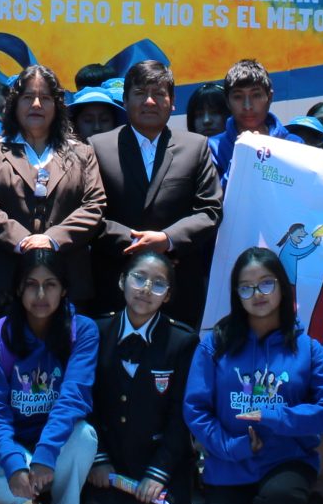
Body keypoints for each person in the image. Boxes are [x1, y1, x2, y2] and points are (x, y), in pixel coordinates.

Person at [185, 247, 323, 504]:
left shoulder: (307, 348)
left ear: (282, 286)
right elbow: (196, 409)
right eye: (246, 287)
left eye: (266, 283)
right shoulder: (215, 344)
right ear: (236, 294)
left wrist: (276, 415)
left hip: (286, 461)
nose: (257, 294)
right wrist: (231, 446)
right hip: (230, 462)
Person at [0, 64, 107, 351]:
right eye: (28, 97)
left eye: (45, 98)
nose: (36, 105)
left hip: (67, 282)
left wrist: (52, 239)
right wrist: (23, 241)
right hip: (1, 283)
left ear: (58, 105)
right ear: (14, 103)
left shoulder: (82, 152)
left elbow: (94, 205)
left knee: (64, 365)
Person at [0, 251, 101, 504]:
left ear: (64, 289)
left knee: (85, 436)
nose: (41, 294)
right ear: (18, 289)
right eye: (31, 284)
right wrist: (14, 464)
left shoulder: (82, 331)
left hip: (52, 442)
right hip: (9, 444)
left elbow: (74, 397)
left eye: (50, 284)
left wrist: (45, 453)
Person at [88, 59, 223, 324]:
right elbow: (89, 213)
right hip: (113, 288)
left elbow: (210, 211)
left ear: (172, 103)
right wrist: (136, 244)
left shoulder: (195, 147)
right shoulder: (98, 147)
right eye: (140, 93)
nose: (149, 101)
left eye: (159, 94)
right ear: (125, 101)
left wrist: (167, 239)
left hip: (179, 291)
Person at [83, 251, 198, 504]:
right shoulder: (96, 331)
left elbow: (181, 416)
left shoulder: (182, 341)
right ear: (122, 281)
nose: (146, 289)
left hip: (155, 463)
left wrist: (158, 473)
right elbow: (84, 403)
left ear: (168, 295)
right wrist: (99, 460)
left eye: (158, 284)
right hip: (108, 467)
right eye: (139, 278)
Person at [209, 58, 297, 186]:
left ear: (269, 97)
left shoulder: (294, 144)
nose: (247, 106)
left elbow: (301, 191)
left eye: (256, 95)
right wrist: (242, 155)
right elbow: (216, 196)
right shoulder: (213, 148)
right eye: (238, 97)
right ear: (227, 102)